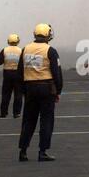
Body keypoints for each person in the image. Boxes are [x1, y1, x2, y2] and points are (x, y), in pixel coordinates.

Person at [18, 24, 63, 162]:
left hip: (30, 88)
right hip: (46, 88)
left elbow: (20, 72)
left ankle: (23, 151)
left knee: (28, 120)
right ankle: (42, 151)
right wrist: (58, 91)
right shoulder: (51, 51)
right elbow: (57, 73)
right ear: (48, 35)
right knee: (46, 120)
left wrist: (23, 91)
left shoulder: (25, 49)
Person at [0, 34, 23, 119]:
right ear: (18, 41)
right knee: (18, 94)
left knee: (6, 94)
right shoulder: (20, 50)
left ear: (8, 41)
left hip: (7, 74)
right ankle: (17, 113)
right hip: (18, 74)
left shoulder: (5, 50)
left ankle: (3, 113)